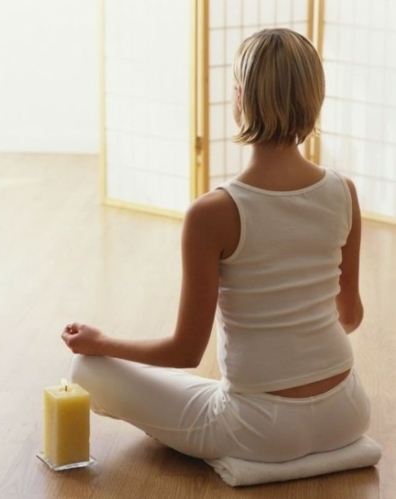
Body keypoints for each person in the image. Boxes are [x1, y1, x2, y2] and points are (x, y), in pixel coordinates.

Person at [61, 28, 370, 463]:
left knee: (87, 370)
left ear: (240, 99)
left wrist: (102, 342)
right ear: (315, 98)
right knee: (209, 390)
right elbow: (350, 316)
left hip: (258, 433)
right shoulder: (345, 192)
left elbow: (186, 351)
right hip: (347, 413)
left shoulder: (213, 212)